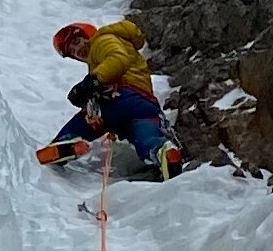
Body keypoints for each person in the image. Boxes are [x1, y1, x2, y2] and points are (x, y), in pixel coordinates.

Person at [37, 19, 184, 178]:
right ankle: (162, 153)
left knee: (89, 119)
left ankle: (67, 142)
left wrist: (92, 83)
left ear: (89, 35)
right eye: (72, 50)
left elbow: (118, 59)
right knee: (145, 135)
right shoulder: (103, 54)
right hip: (144, 105)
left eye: (77, 41)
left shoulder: (102, 40)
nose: (77, 50)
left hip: (118, 97)